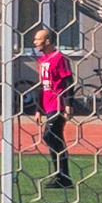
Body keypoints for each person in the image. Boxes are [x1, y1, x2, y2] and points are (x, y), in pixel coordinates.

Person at [33, 28, 74, 188]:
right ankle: (61, 176)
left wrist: (69, 104)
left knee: (51, 136)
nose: (35, 42)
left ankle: (63, 176)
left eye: (38, 39)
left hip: (59, 104)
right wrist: (38, 109)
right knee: (52, 138)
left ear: (47, 41)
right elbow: (41, 86)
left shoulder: (59, 58)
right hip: (48, 104)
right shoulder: (42, 59)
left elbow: (68, 81)